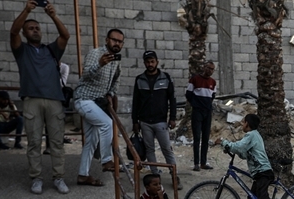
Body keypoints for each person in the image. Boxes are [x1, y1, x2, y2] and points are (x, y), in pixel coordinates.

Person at [10, 0, 70, 195]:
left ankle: (59, 177)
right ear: (25, 33)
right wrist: (26, 11)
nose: (35, 30)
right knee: (34, 142)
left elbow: (65, 35)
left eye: (37, 28)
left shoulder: (51, 50)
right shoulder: (22, 51)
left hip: (54, 100)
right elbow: (13, 32)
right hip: (32, 100)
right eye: (31, 28)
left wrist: (53, 16)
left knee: (57, 143)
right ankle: (36, 178)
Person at [74, 29, 124, 187]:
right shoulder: (96, 54)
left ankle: (83, 175)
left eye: (120, 41)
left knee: (91, 141)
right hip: (84, 99)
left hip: (97, 103)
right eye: (114, 40)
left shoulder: (116, 60)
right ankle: (106, 161)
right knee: (107, 124)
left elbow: (116, 80)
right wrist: (100, 64)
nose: (117, 43)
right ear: (107, 40)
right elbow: (86, 75)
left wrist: (111, 93)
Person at [221, 113, 279, 199]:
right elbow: (243, 152)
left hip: (263, 172)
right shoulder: (254, 136)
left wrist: (225, 143)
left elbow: (240, 147)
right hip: (259, 174)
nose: (241, 124)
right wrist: (229, 148)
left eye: (243, 122)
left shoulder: (251, 135)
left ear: (247, 124)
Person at [132, 50, 178, 186]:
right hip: (145, 122)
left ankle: (174, 176)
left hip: (161, 121)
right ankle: (155, 176)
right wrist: (135, 121)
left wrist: (173, 118)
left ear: (157, 62)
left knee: (166, 150)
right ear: (144, 63)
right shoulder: (139, 79)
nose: (150, 64)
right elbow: (136, 102)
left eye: (152, 61)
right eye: (147, 62)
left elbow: (172, 99)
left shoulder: (166, 78)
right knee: (149, 150)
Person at [186, 60, 216, 171]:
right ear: (204, 67)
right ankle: (196, 163)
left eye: (212, 69)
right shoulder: (195, 79)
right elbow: (188, 94)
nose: (210, 70)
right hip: (197, 111)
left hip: (207, 112)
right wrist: (196, 104)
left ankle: (203, 162)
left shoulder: (213, 82)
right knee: (197, 137)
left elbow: (213, 95)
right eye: (208, 68)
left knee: (205, 138)